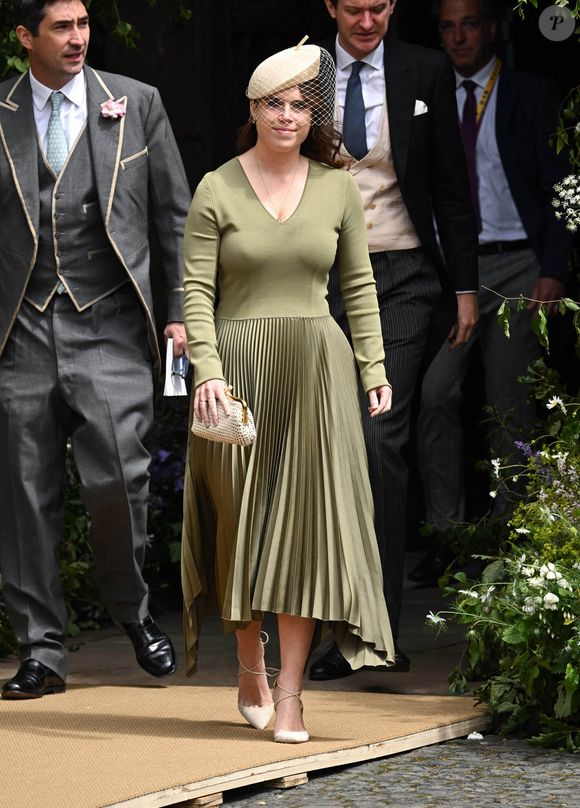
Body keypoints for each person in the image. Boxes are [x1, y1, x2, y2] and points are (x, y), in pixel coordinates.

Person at [181, 41, 395, 744]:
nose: (286, 115)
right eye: (273, 103)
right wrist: (206, 372)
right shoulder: (216, 187)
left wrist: (374, 368)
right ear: (253, 109)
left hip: (316, 368)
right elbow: (197, 293)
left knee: (304, 533)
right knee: (242, 527)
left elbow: (358, 287)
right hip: (235, 371)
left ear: (314, 115)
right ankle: (251, 664)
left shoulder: (338, 188)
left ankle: (295, 697)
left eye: (299, 104)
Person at [0, 0, 191, 699]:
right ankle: (42, 651)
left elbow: (176, 216)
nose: (79, 37)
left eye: (83, 24)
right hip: (19, 326)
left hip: (109, 320)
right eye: (61, 27)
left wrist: (178, 316)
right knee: (24, 495)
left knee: (119, 475)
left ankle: (133, 609)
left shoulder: (136, 103)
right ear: (26, 37)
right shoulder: (1, 110)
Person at [310, 0, 479, 681]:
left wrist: (464, 286)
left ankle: (374, 631)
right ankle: (324, 628)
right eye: (353, 8)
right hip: (317, 277)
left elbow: (448, 184)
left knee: (380, 439)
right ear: (331, 7)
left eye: (379, 6)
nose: (367, 20)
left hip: (404, 274)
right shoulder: (306, 70)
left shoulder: (424, 69)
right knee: (328, 445)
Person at [411, 0, 572, 585]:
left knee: (509, 402)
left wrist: (553, 268)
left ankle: (513, 537)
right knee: (434, 395)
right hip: (453, 267)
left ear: (491, 28)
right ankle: (447, 537)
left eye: (469, 24)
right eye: (447, 26)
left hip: (515, 264)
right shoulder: (425, 92)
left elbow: (563, 181)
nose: (458, 37)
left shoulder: (531, 91)